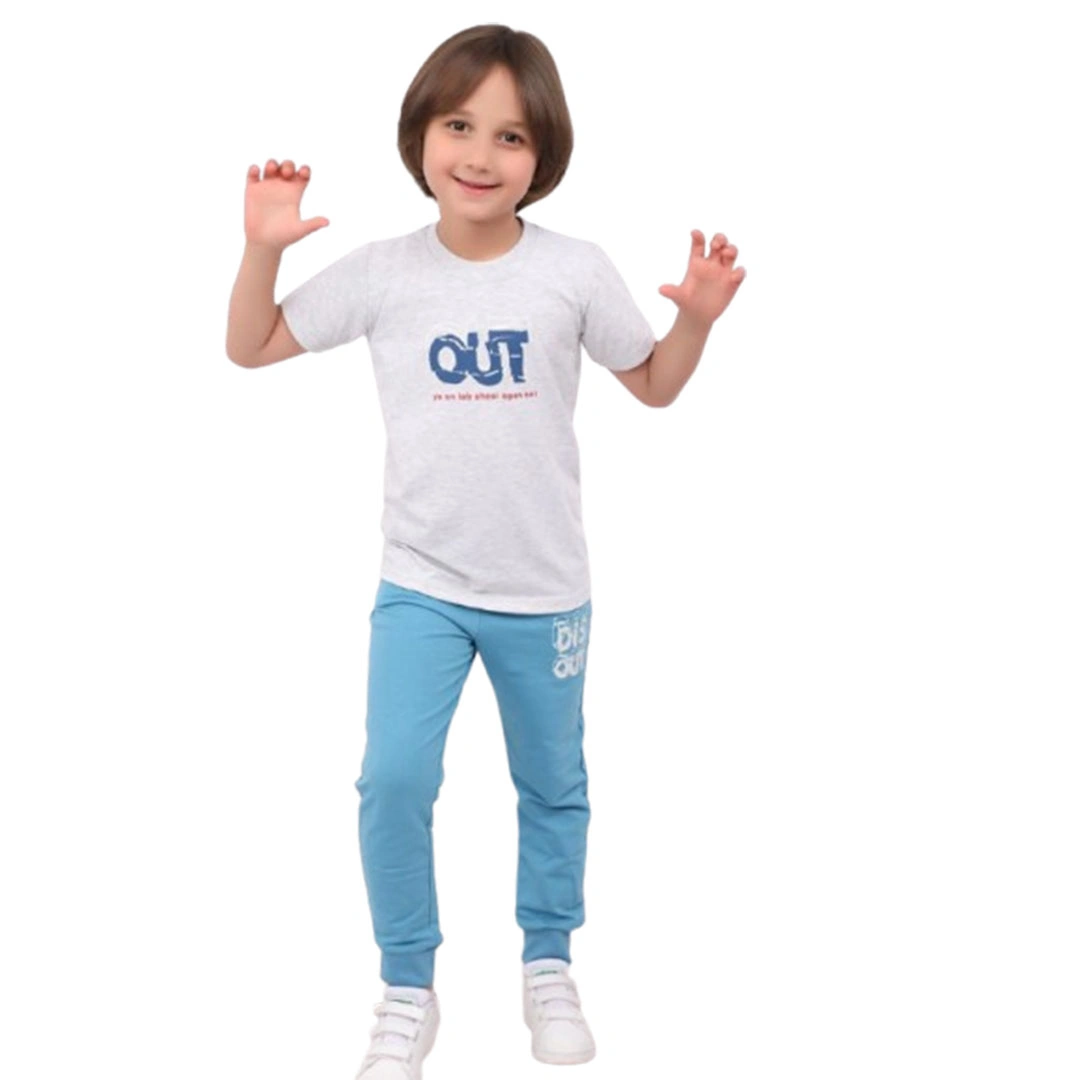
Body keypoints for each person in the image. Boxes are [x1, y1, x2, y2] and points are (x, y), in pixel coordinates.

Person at [225, 23, 745, 1079]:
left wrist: (695, 322)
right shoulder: (383, 273)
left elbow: (653, 385)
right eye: (459, 126)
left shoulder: (574, 271)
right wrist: (265, 249)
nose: (479, 154)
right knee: (393, 779)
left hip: (544, 591)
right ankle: (407, 986)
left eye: (510, 136)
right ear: (420, 133)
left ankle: (548, 963)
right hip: (421, 584)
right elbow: (252, 346)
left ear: (542, 154)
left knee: (552, 783)